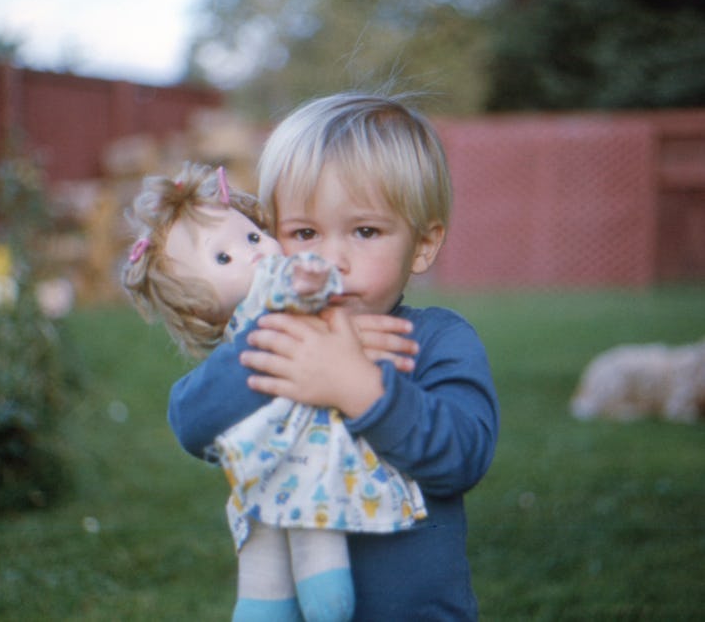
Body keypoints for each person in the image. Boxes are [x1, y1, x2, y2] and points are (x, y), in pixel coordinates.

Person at [168, 92, 500, 620]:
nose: (330, 258)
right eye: (304, 233)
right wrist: (281, 354)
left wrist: (357, 385)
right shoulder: (272, 333)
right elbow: (191, 422)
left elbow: (463, 457)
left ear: (423, 244)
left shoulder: (436, 340)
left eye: (365, 231)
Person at [122, 162, 428, 622]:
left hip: (311, 464)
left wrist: (304, 290)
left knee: (309, 509)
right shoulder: (235, 350)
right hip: (261, 473)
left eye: (250, 236)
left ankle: (321, 591)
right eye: (221, 258)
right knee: (262, 535)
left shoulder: (286, 287)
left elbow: (301, 285)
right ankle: (262, 605)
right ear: (197, 303)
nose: (252, 254)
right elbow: (190, 419)